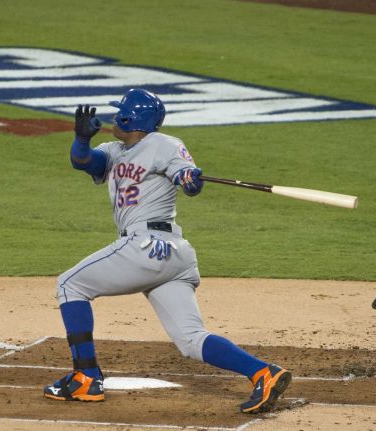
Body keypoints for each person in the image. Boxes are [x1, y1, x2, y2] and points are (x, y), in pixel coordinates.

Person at [43, 89, 291, 414]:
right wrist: (81, 140)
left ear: (130, 118)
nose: (115, 118)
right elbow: (85, 162)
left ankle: (86, 377)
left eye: (120, 113)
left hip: (145, 246)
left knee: (69, 284)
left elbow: (187, 178)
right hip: (173, 257)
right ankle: (264, 373)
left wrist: (189, 178)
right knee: (190, 339)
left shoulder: (163, 144)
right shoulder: (114, 151)